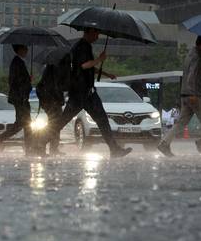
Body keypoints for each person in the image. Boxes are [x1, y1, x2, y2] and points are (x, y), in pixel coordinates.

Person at [37, 28, 132, 158]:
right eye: (96, 34)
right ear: (88, 33)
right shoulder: (81, 47)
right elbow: (83, 66)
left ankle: (114, 148)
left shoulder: (84, 46)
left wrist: (105, 74)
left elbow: (88, 66)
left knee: (102, 120)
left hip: (87, 93)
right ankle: (40, 143)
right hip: (80, 93)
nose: (97, 36)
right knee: (62, 121)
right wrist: (100, 59)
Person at [157, 36, 201, 157]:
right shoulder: (196, 58)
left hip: (185, 94)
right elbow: (191, 76)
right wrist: (193, 93)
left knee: (181, 122)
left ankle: (164, 143)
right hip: (194, 95)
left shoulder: (190, 56)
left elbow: (193, 74)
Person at [0, 44, 33, 155]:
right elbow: (16, 81)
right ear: (19, 49)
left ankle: (29, 148)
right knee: (24, 124)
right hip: (21, 98)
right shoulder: (17, 63)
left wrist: (28, 80)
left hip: (21, 98)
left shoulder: (18, 62)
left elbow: (20, 80)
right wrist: (27, 82)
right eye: (25, 48)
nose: (27, 50)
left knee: (24, 124)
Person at [34, 55, 70, 155]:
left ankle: (52, 147)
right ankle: (42, 145)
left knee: (55, 123)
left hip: (49, 100)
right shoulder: (58, 69)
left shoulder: (50, 68)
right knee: (56, 124)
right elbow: (62, 85)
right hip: (53, 101)